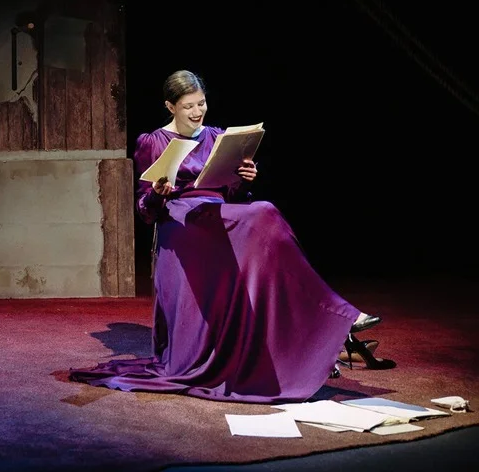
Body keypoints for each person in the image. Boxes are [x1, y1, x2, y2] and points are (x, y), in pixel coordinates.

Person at [69, 69, 387, 403]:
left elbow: (233, 196)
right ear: (170, 106)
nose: (197, 112)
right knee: (263, 215)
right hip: (181, 220)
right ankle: (339, 320)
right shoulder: (153, 142)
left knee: (265, 215)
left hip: (218, 212)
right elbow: (145, 210)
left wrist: (243, 179)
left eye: (201, 103)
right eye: (189, 106)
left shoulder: (217, 136)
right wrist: (158, 194)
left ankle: (320, 328)